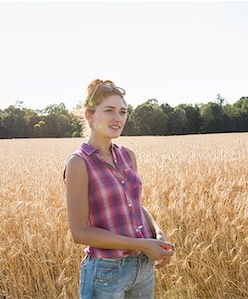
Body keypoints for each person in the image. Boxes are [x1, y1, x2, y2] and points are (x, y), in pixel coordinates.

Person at [63, 79, 174, 299]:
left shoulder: (127, 156)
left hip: (143, 267)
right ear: (90, 115)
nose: (118, 118)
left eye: (123, 112)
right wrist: (142, 244)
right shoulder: (79, 163)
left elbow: (135, 204)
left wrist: (158, 233)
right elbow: (80, 232)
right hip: (106, 272)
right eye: (110, 110)